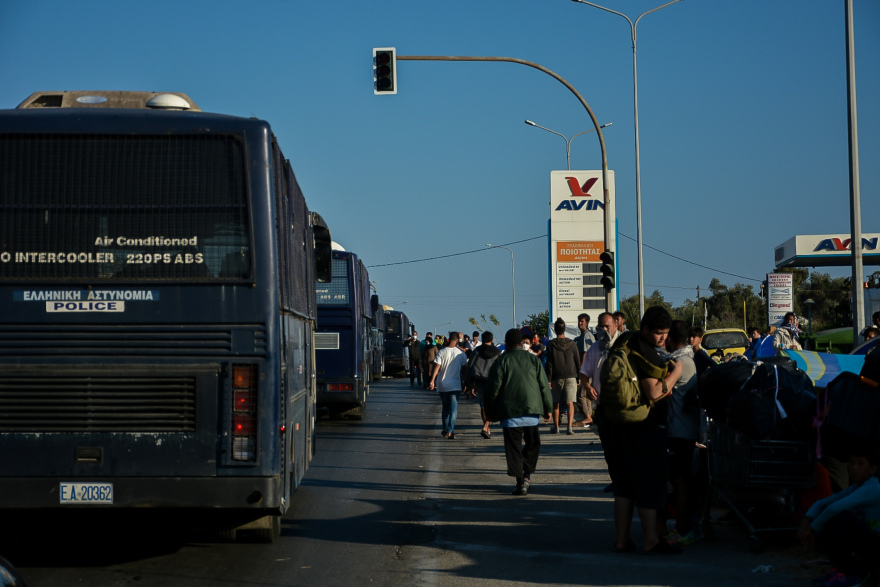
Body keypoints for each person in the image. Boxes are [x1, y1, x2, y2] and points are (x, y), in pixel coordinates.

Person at [601, 306, 683, 554]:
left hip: (617, 423)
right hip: (643, 427)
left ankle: (622, 541)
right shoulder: (647, 353)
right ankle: (651, 541)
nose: (663, 338)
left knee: (624, 487)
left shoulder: (626, 341)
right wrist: (676, 373)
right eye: (658, 333)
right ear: (646, 329)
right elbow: (655, 392)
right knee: (649, 484)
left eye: (666, 333)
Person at [484, 328, 553, 496]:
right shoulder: (533, 360)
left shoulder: (501, 361)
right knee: (532, 445)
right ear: (522, 342)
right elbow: (544, 385)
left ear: (506, 343)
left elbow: (493, 389)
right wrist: (548, 409)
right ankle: (527, 475)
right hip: (532, 412)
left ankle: (520, 481)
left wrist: (489, 412)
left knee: (513, 448)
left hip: (510, 412)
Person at [799, 447, 880, 587]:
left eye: (860, 464)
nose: (854, 468)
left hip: (876, 545)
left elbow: (834, 508)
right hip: (870, 543)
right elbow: (823, 503)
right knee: (829, 514)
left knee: (838, 516)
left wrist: (812, 529)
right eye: (851, 463)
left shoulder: (872, 487)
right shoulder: (857, 487)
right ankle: (841, 570)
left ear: (872, 469)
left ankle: (848, 574)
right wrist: (806, 520)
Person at [662, 320, 701, 547]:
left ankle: (683, 528)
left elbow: (663, 389)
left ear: (672, 339)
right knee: (680, 481)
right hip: (684, 430)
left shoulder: (680, 362)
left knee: (680, 482)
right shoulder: (688, 359)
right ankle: (684, 525)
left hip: (680, 432)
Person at [579, 311, 620, 432]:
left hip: (621, 403)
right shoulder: (595, 348)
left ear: (616, 326)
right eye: (602, 326)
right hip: (602, 403)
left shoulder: (623, 345)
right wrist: (587, 387)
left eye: (608, 326)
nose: (605, 329)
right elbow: (584, 373)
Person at [429, 332, 469, 439]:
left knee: (445, 408)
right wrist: (465, 382)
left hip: (442, 384)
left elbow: (437, 367)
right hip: (455, 385)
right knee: (453, 409)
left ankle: (445, 429)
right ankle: (450, 431)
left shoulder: (442, 352)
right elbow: (464, 369)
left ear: (449, 339)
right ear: (457, 341)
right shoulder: (461, 354)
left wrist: (432, 380)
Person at [545, 317, 581, 435]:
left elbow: (549, 363)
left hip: (556, 376)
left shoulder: (551, 344)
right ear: (565, 329)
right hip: (571, 375)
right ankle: (569, 427)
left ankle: (556, 427)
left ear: (555, 330)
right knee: (570, 402)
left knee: (556, 402)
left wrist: (548, 379)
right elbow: (577, 361)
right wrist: (579, 376)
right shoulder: (572, 344)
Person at [464, 331, 501, 439]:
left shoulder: (477, 351)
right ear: (492, 339)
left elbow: (470, 366)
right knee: (492, 404)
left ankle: (486, 427)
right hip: (493, 381)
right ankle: (486, 426)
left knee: (483, 405)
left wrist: (468, 383)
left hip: (479, 380)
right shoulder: (497, 352)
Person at [574, 313, 596, 425]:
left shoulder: (587, 336)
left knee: (581, 394)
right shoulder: (583, 336)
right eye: (579, 321)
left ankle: (587, 417)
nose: (580, 323)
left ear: (587, 323)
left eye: (582, 321)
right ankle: (588, 416)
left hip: (587, 370)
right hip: (589, 369)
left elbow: (585, 354)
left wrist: (582, 371)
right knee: (585, 394)